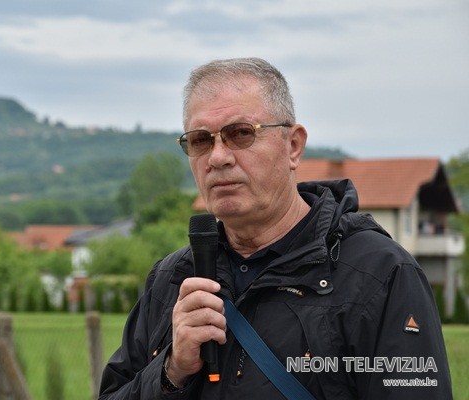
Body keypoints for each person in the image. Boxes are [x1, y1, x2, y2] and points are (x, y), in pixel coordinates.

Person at [98, 57, 453, 399]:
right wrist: (171, 372)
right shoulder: (172, 279)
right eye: (201, 140)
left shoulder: (381, 275)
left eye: (241, 133)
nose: (218, 157)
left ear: (293, 146)